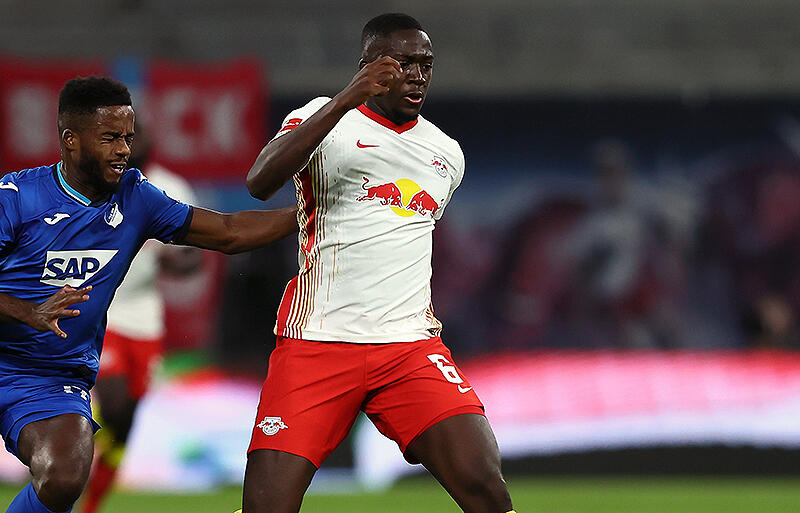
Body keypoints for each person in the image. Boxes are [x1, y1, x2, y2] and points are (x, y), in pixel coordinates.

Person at [241, 13, 515, 513]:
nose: (416, 75)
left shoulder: (445, 153)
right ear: (368, 65)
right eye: (402, 63)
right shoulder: (322, 118)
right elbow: (260, 181)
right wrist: (346, 99)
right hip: (319, 341)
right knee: (267, 507)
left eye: (425, 65)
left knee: (487, 489)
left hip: (408, 348)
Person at [0, 76, 297, 513]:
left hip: (49, 377)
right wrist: (27, 311)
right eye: (110, 138)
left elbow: (229, 232)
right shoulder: (16, 197)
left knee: (64, 475)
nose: (124, 149)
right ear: (70, 141)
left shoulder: (137, 198)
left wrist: (310, 211)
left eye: (128, 137)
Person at [80, 124, 203, 513]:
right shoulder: (94, 186)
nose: (129, 146)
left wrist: (175, 260)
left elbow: (195, 256)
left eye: (134, 138)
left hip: (146, 316)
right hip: (103, 311)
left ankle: (90, 505)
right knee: (115, 406)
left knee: (126, 423)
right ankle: (75, 426)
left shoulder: (171, 188)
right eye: (119, 139)